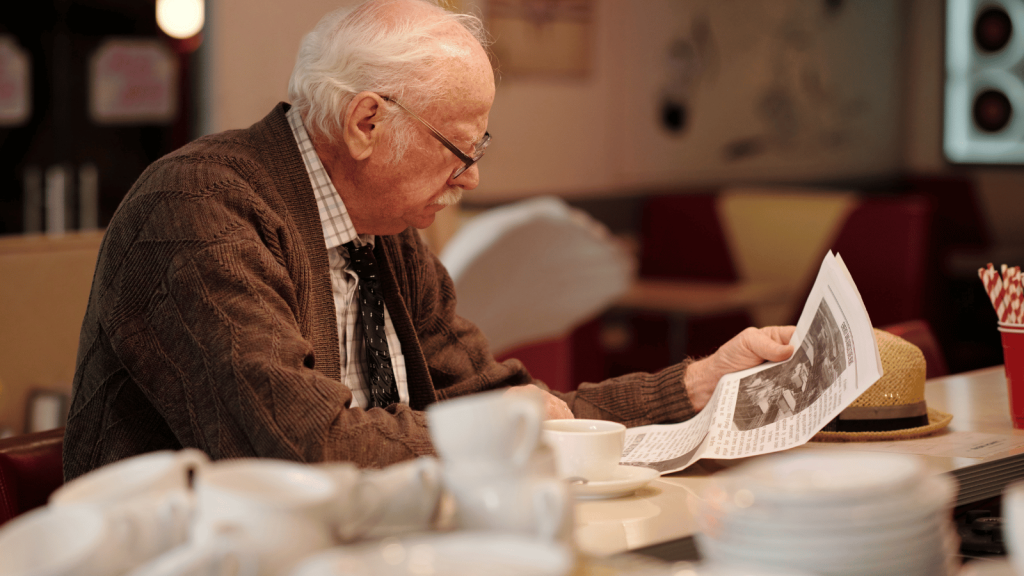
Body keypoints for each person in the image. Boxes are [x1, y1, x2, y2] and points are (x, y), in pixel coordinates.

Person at [62, 0, 794, 481]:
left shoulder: (382, 229)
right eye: (460, 148)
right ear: (366, 123)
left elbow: (502, 400)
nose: (471, 179)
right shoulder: (198, 208)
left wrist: (693, 387)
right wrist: (502, 428)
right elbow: (299, 451)